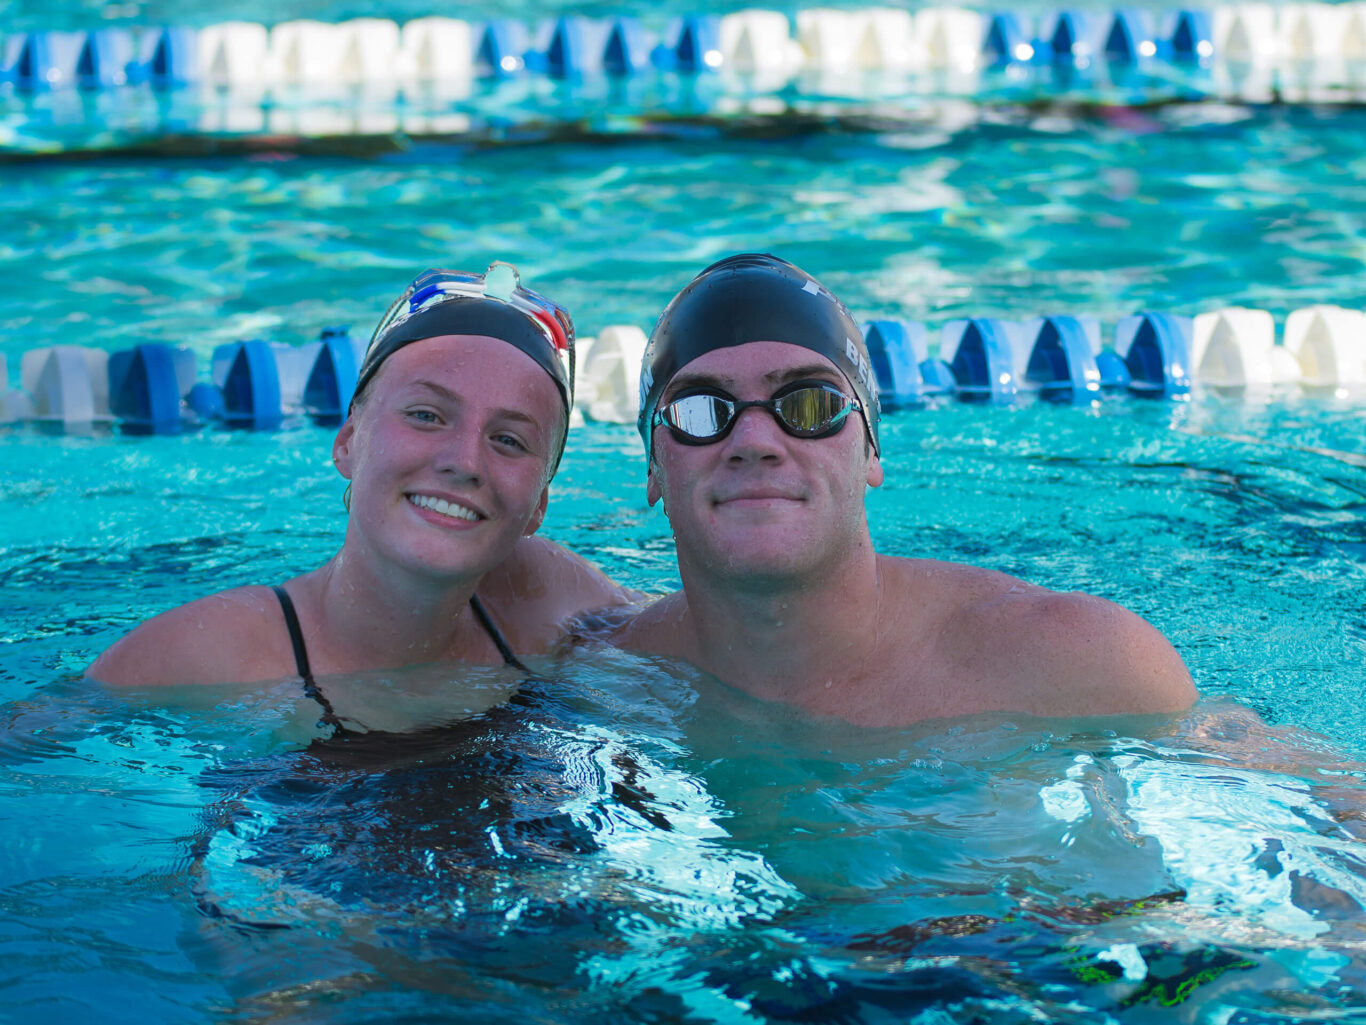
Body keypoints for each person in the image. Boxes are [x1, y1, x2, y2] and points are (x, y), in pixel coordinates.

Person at [614, 253, 1196, 727]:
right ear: (653, 469)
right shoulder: (610, 675)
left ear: (870, 449)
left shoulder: (1081, 661)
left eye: (809, 403)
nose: (754, 439)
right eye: (698, 411)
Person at [89, 262, 633, 703]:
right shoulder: (203, 658)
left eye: (509, 440)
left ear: (538, 506)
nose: (464, 461)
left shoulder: (552, 602)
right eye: (426, 415)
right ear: (347, 441)